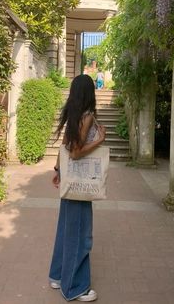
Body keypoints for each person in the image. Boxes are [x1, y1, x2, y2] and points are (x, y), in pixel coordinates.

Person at [49, 74, 106, 302]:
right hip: (81, 184)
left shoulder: (74, 115)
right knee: (81, 235)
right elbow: (74, 152)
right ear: (89, 92)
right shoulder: (88, 116)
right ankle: (74, 288)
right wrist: (99, 141)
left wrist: (57, 169)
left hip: (70, 181)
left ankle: (57, 276)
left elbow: (64, 146)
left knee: (65, 230)